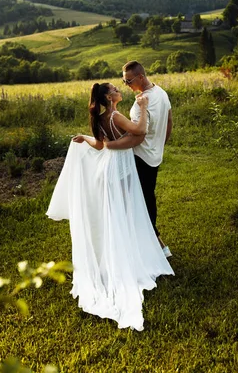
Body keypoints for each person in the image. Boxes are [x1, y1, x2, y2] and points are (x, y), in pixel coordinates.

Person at [46, 82, 173, 331]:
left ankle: (121, 253)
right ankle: (126, 257)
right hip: (121, 167)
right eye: (115, 88)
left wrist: (85, 137)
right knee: (125, 212)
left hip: (110, 166)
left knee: (119, 213)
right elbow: (139, 129)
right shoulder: (115, 115)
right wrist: (144, 107)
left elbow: (100, 144)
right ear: (109, 96)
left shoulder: (102, 118)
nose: (118, 88)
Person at [105, 61, 172, 257]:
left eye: (128, 80)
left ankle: (156, 247)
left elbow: (138, 137)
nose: (125, 84)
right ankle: (155, 244)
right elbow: (169, 122)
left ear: (140, 77)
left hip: (140, 159)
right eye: (123, 81)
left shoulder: (139, 105)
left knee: (139, 205)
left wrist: (110, 145)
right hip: (155, 158)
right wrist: (160, 145)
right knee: (147, 199)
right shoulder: (161, 92)